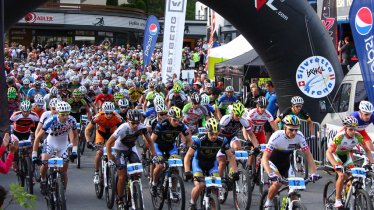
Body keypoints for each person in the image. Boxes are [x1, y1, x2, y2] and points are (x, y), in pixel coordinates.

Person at [262, 115, 320, 208]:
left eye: (296, 130)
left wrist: (314, 172)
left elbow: (308, 154)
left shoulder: (299, 136)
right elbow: (265, 157)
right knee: (277, 183)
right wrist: (270, 173)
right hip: (272, 163)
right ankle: (268, 202)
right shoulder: (276, 136)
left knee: (294, 190)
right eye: (291, 129)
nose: (294, 132)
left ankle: (292, 204)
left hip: (286, 164)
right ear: (284, 127)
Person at [106, 109, 156, 209]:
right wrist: (110, 157)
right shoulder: (123, 128)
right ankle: (120, 199)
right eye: (133, 123)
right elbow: (108, 143)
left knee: (137, 173)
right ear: (128, 121)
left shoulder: (142, 127)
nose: (135, 126)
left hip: (131, 148)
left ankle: (133, 188)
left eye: (137, 123)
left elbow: (150, 142)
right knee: (122, 175)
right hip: (120, 149)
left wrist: (154, 155)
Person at [184, 118, 239, 210]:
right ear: (206, 131)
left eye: (216, 134)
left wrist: (235, 171)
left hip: (211, 164)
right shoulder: (199, 139)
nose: (214, 136)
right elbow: (188, 156)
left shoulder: (222, 140)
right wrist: (187, 171)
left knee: (215, 187)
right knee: (200, 185)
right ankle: (192, 203)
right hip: (198, 163)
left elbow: (230, 156)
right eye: (211, 134)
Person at [326, 116, 373, 208]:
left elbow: (367, 150)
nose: (353, 132)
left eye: (354, 129)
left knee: (352, 177)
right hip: (336, 155)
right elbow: (328, 152)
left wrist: (372, 162)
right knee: (342, 175)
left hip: (346, 156)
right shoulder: (340, 136)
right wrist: (335, 164)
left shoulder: (358, 136)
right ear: (345, 128)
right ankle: (338, 200)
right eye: (350, 129)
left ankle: (347, 194)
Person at [32, 101, 78, 193]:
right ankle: (43, 179)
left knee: (64, 170)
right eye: (63, 114)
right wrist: (34, 154)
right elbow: (38, 137)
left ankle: (62, 193)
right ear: (58, 113)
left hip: (63, 144)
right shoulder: (51, 120)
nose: (65, 117)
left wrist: (74, 150)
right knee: (45, 163)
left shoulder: (72, 120)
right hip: (51, 142)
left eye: (67, 114)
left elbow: (76, 136)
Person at [151, 106, 192, 195]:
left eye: (179, 120)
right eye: (174, 120)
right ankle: (154, 183)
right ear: (169, 118)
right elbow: (152, 140)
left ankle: (173, 189)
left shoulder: (181, 125)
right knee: (160, 165)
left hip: (170, 147)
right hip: (159, 146)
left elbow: (189, 140)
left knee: (175, 167)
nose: (177, 122)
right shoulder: (162, 124)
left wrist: (189, 150)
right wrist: (153, 154)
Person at [85, 102, 123, 184]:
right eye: (107, 113)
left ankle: (114, 171)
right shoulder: (98, 117)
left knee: (114, 153)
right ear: (103, 111)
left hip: (112, 134)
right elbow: (87, 129)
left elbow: (124, 129)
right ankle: (96, 173)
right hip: (101, 133)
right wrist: (88, 141)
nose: (109, 115)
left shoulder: (117, 117)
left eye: (111, 113)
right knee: (99, 152)